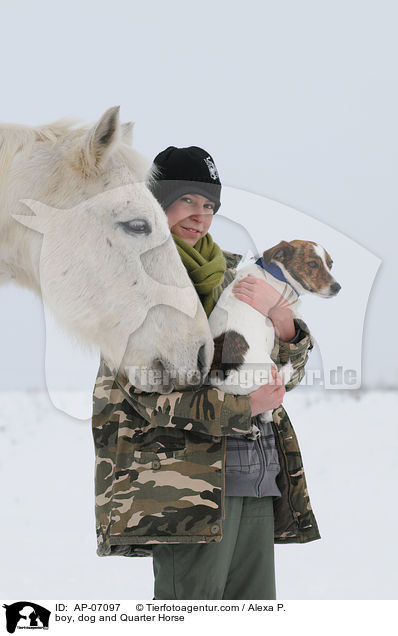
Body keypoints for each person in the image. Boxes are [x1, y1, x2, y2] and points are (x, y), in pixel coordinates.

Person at [91, 146, 320, 600]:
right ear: (157, 204)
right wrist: (245, 406)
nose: (201, 216)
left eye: (210, 205)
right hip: (183, 491)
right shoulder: (130, 283)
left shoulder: (240, 275)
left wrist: (285, 325)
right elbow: (149, 395)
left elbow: (283, 377)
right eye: (188, 201)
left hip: (256, 475)